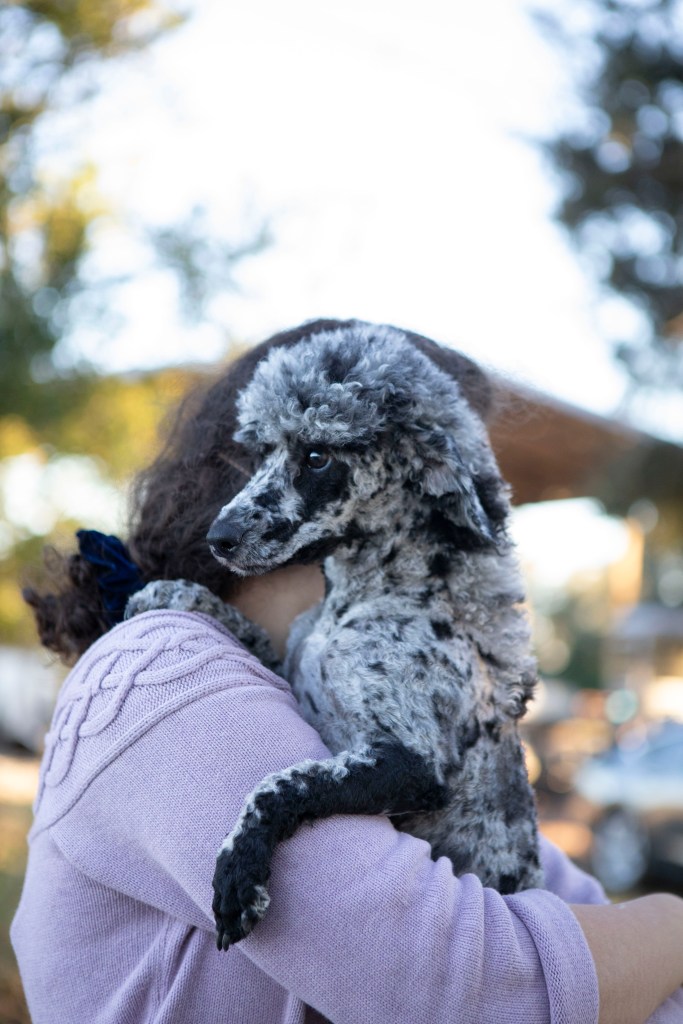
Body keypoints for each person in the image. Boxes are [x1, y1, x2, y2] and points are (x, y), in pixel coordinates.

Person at [11, 320, 683, 1024]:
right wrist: (671, 922)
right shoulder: (165, 670)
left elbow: (567, 925)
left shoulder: (342, 685)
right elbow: (472, 991)